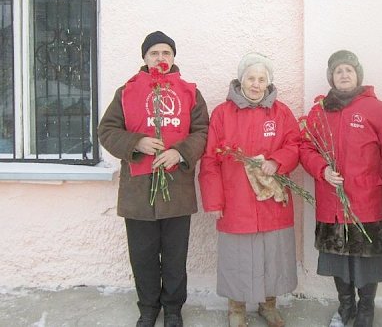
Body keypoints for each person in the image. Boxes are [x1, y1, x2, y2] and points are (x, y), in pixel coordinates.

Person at [98, 31, 209, 327]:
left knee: (174, 256)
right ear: (145, 58)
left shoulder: (189, 92)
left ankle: (173, 309)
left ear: (173, 58)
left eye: (166, 53)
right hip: (138, 191)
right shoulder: (126, 91)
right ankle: (148, 308)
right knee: (143, 255)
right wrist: (137, 143)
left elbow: (202, 131)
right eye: (154, 54)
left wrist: (180, 152)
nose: (161, 58)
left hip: (177, 189)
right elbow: (107, 131)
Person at [300, 50, 382, 327]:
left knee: (367, 260)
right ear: (331, 77)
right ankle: (346, 306)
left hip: (368, 202)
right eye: (338, 71)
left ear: (358, 75)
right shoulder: (319, 112)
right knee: (338, 259)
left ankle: (366, 309)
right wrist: (321, 169)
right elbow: (306, 147)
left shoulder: (378, 110)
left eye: (349, 70)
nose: (344, 75)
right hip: (332, 202)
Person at [198, 52, 300, 327]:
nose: (256, 84)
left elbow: (295, 145)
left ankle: (269, 305)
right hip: (236, 201)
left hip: (272, 199)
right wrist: (214, 200)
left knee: (271, 255)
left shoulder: (281, 112)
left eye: (262, 79)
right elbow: (210, 160)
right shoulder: (222, 113)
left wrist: (276, 161)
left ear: (268, 82)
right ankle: (237, 308)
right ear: (241, 80)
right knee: (238, 257)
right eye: (251, 78)